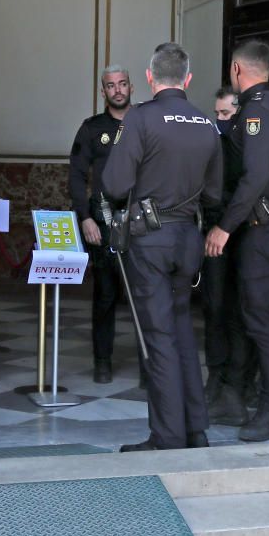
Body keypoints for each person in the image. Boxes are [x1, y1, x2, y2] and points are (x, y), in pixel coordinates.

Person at [102, 42, 222, 451]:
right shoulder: (206, 123)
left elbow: (115, 185)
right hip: (187, 239)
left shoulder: (141, 118)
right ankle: (195, 430)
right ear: (187, 79)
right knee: (183, 332)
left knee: (159, 337)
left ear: (150, 78)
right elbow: (216, 192)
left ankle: (168, 437)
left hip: (150, 241)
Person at [205, 39, 269, 442]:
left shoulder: (256, 111)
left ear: (237, 70)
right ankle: (235, 397)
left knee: (259, 318)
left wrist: (224, 225)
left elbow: (255, 177)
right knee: (245, 315)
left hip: (260, 228)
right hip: (257, 228)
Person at [68, 65, 133, 384]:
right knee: (106, 294)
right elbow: (77, 176)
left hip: (139, 218)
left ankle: (151, 366)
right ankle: (102, 360)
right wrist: (85, 217)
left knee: (145, 294)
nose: (117, 90)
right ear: (102, 91)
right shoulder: (92, 128)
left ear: (131, 87)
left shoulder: (144, 122)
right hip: (103, 219)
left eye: (122, 84)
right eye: (111, 86)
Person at [201, 88, 255, 427]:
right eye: (217, 114)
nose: (221, 120)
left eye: (226, 114)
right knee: (214, 307)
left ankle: (239, 382)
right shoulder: (213, 144)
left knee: (240, 311)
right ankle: (216, 377)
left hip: (242, 234)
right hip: (213, 234)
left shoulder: (250, 144)